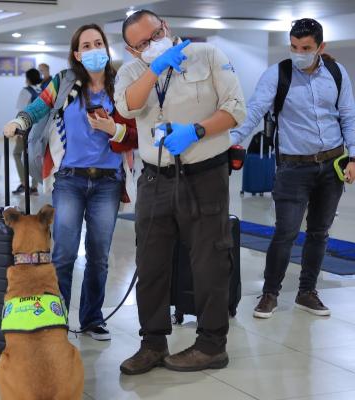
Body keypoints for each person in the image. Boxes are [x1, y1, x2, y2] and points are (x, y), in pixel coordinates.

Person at [114, 10, 246, 374]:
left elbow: (235, 110)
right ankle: (153, 343)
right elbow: (127, 105)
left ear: (166, 27)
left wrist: (197, 131)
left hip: (204, 175)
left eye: (155, 35)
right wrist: (154, 68)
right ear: (131, 49)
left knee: (209, 260)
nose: (151, 44)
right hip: (155, 179)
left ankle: (210, 345)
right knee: (151, 262)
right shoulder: (130, 72)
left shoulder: (208, 56)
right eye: (141, 43)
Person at [4, 24, 138, 341]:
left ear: (107, 47)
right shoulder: (64, 82)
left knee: (99, 255)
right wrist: (20, 121)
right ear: (77, 53)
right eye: (86, 45)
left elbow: (135, 129)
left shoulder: (121, 85)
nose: (94, 50)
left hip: (108, 182)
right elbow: (40, 107)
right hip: (70, 180)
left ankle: (92, 318)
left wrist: (111, 128)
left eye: (98, 43)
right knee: (63, 254)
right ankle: (56, 318)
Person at [230, 18, 355, 319]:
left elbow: (349, 116)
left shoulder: (336, 73)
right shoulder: (277, 74)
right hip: (293, 168)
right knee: (285, 232)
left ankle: (307, 292)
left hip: (332, 166)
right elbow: (254, 112)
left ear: (321, 47)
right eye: (294, 47)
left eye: (306, 48)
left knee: (319, 232)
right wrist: (231, 140)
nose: (299, 52)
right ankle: (269, 294)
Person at [11, 68, 43, 196]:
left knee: (17, 153)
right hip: (40, 129)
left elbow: (22, 112)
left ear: (28, 79)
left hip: (27, 129)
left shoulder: (25, 91)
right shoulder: (42, 91)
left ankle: (24, 184)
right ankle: (34, 187)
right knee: (35, 156)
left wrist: (18, 130)